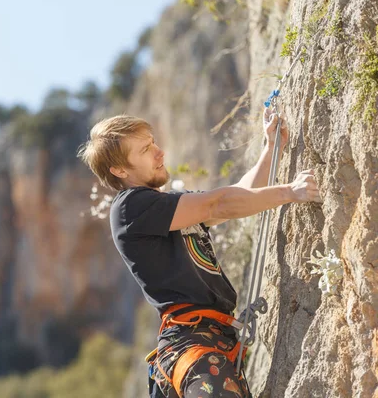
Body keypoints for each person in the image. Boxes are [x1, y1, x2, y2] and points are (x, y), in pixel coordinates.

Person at [77, 110, 321, 398]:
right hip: (192, 348)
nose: (159, 152)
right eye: (145, 149)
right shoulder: (131, 207)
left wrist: (271, 149)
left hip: (210, 346)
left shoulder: (165, 206)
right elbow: (217, 205)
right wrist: (291, 192)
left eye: (153, 142)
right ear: (120, 170)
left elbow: (235, 195)